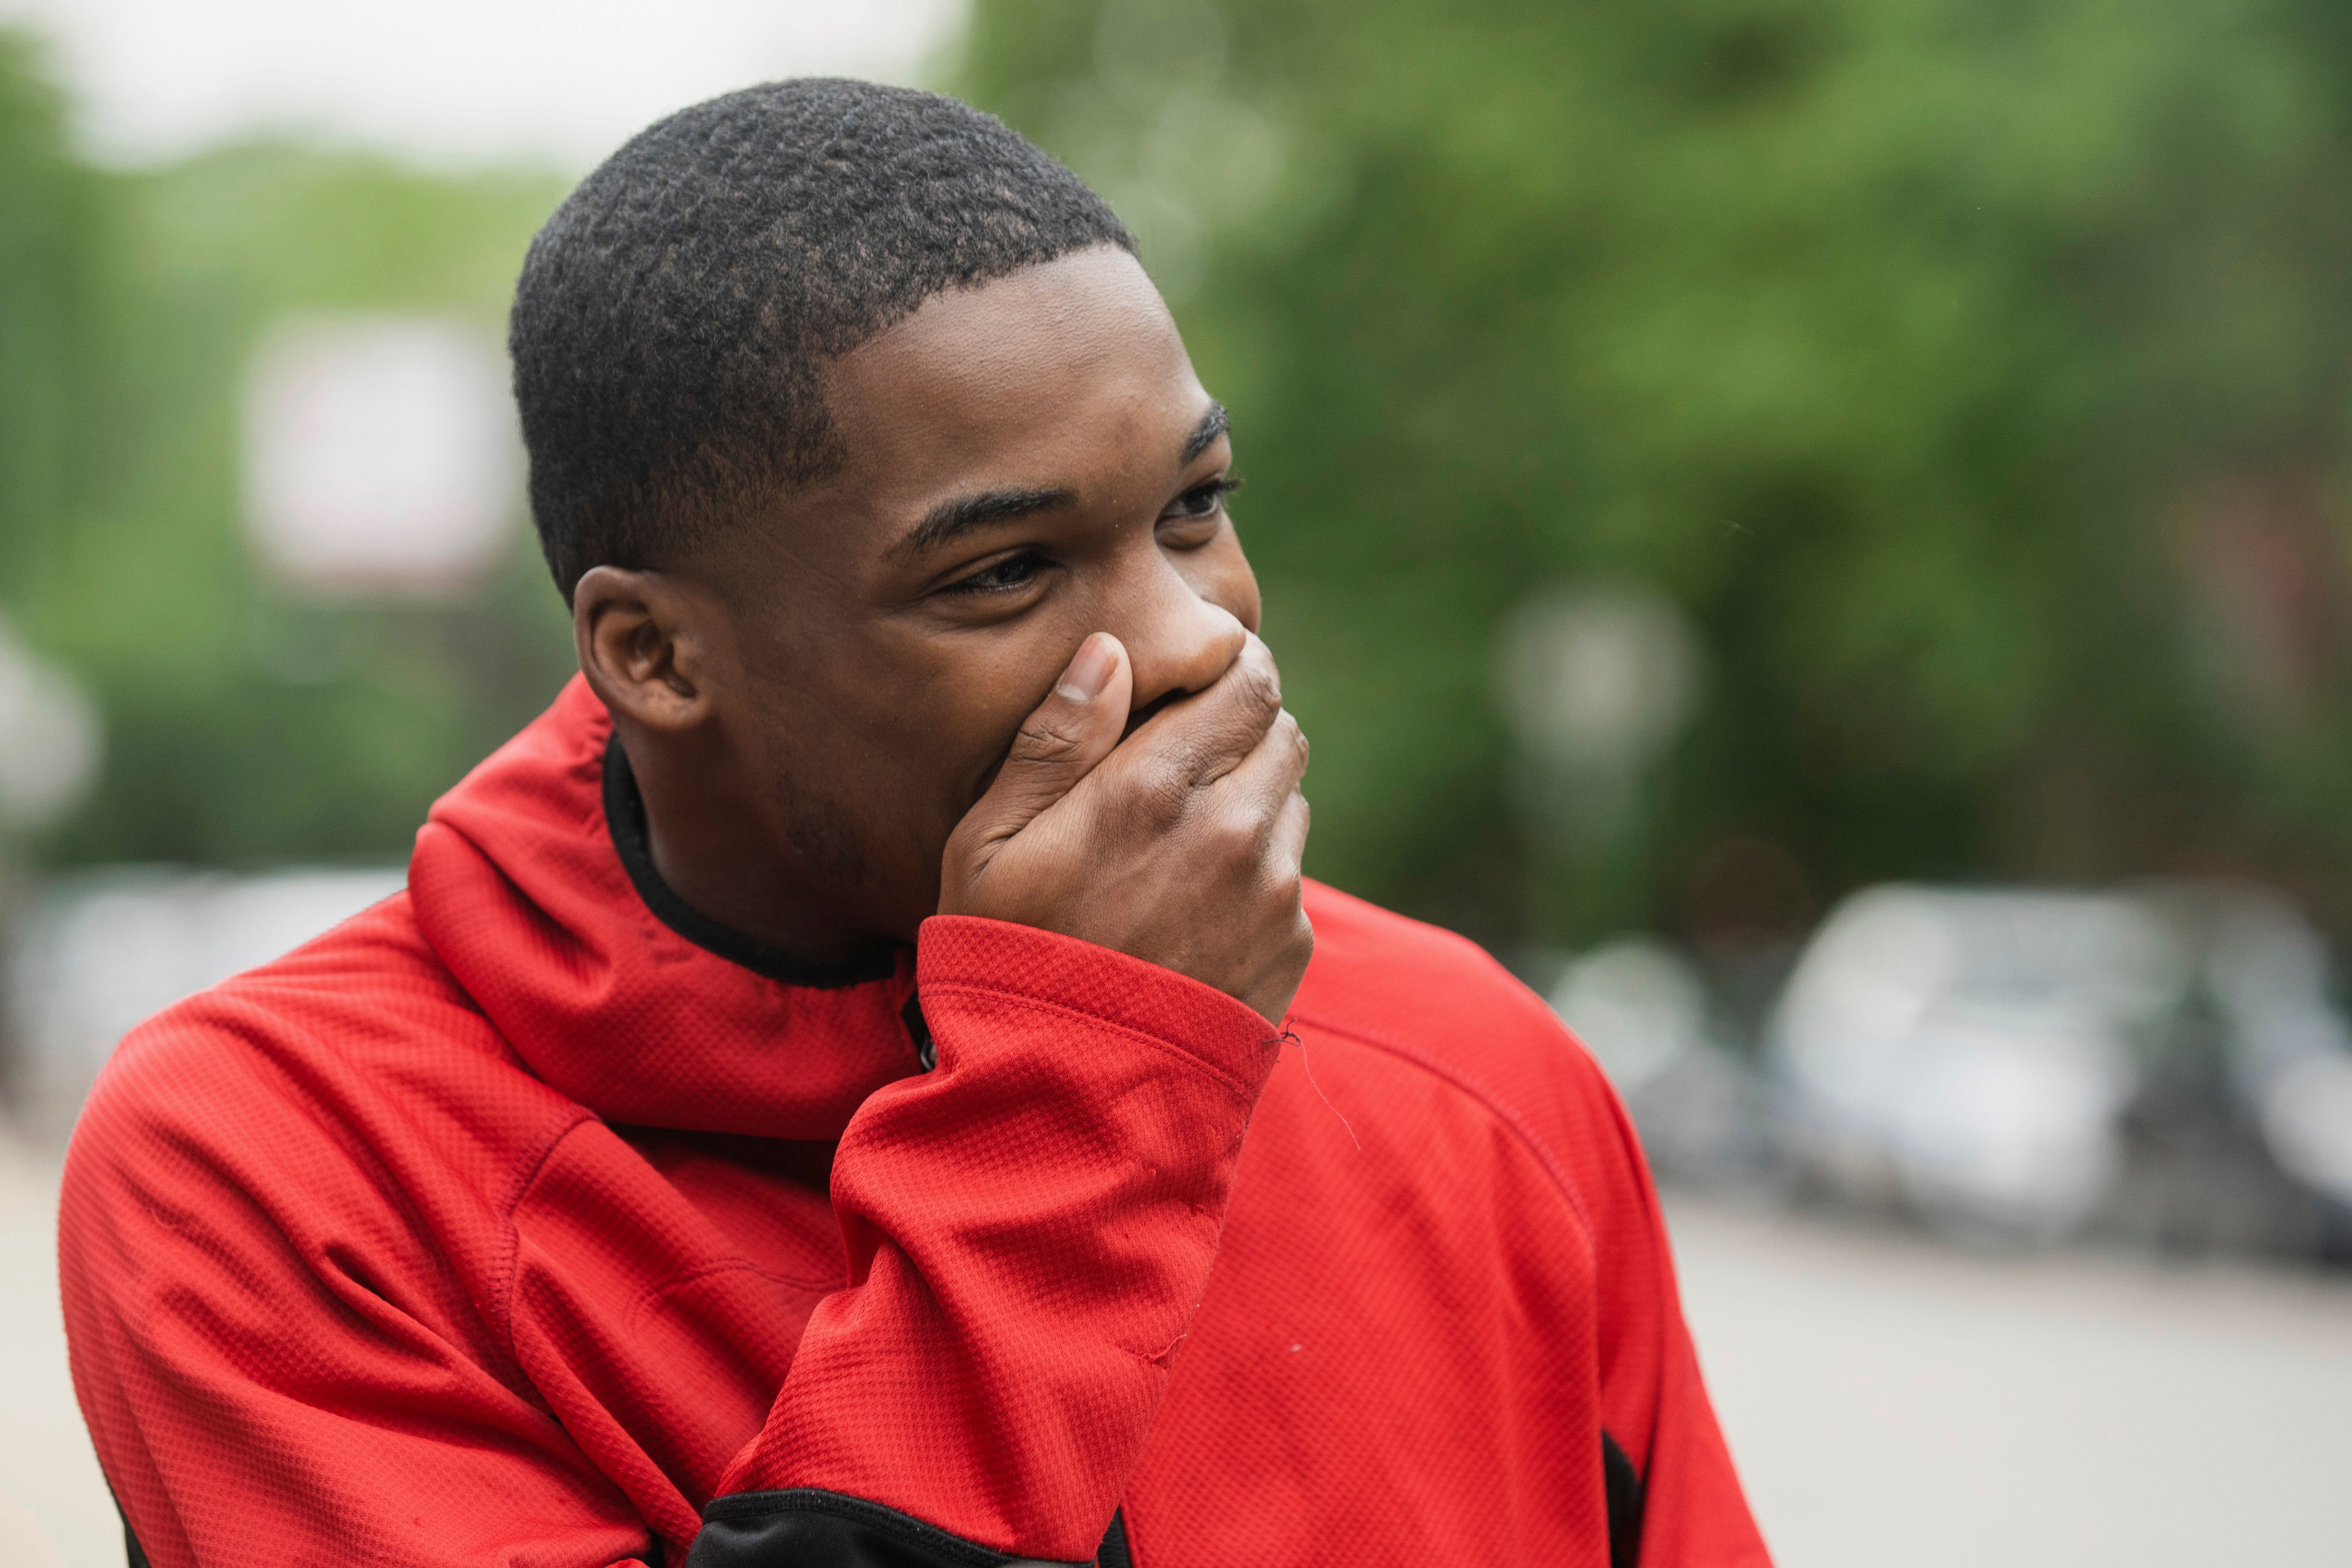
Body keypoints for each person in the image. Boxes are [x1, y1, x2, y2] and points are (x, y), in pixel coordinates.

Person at [57, 80, 1768, 1568]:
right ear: (656, 653)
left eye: (1193, 507)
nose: (1192, 638)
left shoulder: (1474, 1070)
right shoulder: (275, 1164)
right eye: (1004, 569)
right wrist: (1084, 1096)